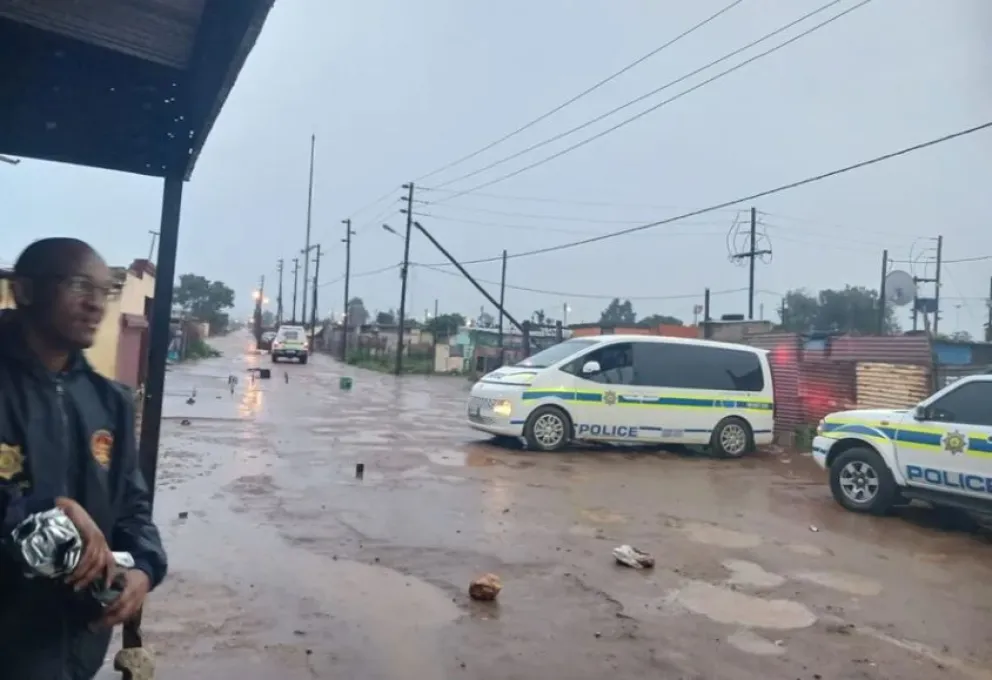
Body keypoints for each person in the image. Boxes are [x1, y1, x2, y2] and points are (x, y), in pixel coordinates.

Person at [0, 237, 168, 679]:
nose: (96, 304)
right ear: (26, 291)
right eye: (78, 285)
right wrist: (54, 510)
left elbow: (132, 507)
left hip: (77, 651)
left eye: (106, 290)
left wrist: (145, 568)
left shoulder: (109, 402)